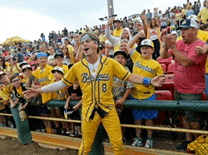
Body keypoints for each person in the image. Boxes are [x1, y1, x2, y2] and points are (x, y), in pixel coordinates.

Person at [24, 32, 165, 155]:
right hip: (89, 110)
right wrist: (40, 90)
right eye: (82, 42)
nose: (84, 44)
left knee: (118, 144)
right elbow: (62, 83)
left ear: (96, 45)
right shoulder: (78, 67)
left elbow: (130, 77)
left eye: (87, 41)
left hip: (108, 109)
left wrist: (149, 80)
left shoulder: (110, 62)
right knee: (86, 145)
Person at [161, 18, 207, 151]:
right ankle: (188, 140)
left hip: (192, 90)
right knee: (183, 116)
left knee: (192, 118)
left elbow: (186, 62)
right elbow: (163, 56)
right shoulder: (180, 43)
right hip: (179, 87)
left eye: (186, 29)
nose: (183, 32)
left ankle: (199, 144)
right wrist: (165, 44)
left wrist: (172, 46)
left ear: (194, 30)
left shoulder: (200, 46)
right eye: (182, 29)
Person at [127, 33, 163, 148]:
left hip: (148, 95)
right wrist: (137, 35)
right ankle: (138, 138)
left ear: (152, 50)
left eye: (147, 48)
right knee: (137, 120)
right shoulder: (137, 57)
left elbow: (161, 79)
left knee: (148, 120)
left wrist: (154, 81)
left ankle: (149, 139)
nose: (144, 49)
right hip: (135, 94)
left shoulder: (156, 64)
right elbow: (128, 46)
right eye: (142, 47)